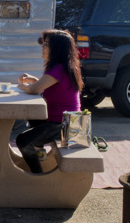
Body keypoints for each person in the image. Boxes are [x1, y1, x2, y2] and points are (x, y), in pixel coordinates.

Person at [15, 29, 84, 173]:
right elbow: (47, 85)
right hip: (68, 122)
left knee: (22, 141)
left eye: (46, 45)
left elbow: (34, 89)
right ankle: (40, 155)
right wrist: (34, 81)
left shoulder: (58, 69)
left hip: (63, 125)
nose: (42, 47)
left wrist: (22, 86)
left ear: (56, 49)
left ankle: (37, 173)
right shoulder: (65, 67)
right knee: (33, 118)